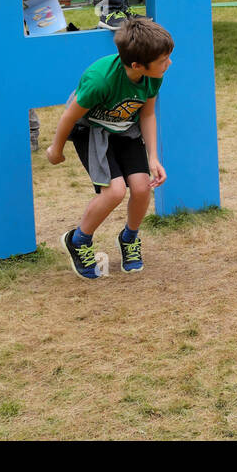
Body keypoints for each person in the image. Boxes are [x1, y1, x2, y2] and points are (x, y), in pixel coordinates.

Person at [46, 18, 173, 279]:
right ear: (137, 65)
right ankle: (78, 240)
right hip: (91, 131)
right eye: (163, 60)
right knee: (114, 192)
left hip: (125, 130)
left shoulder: (153, 77)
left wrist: (153, 157)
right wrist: (56, 150)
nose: (168, 64)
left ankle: (129, 238)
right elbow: (70, 116)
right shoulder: (100, 81)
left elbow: (147, 115)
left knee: (140, 187)